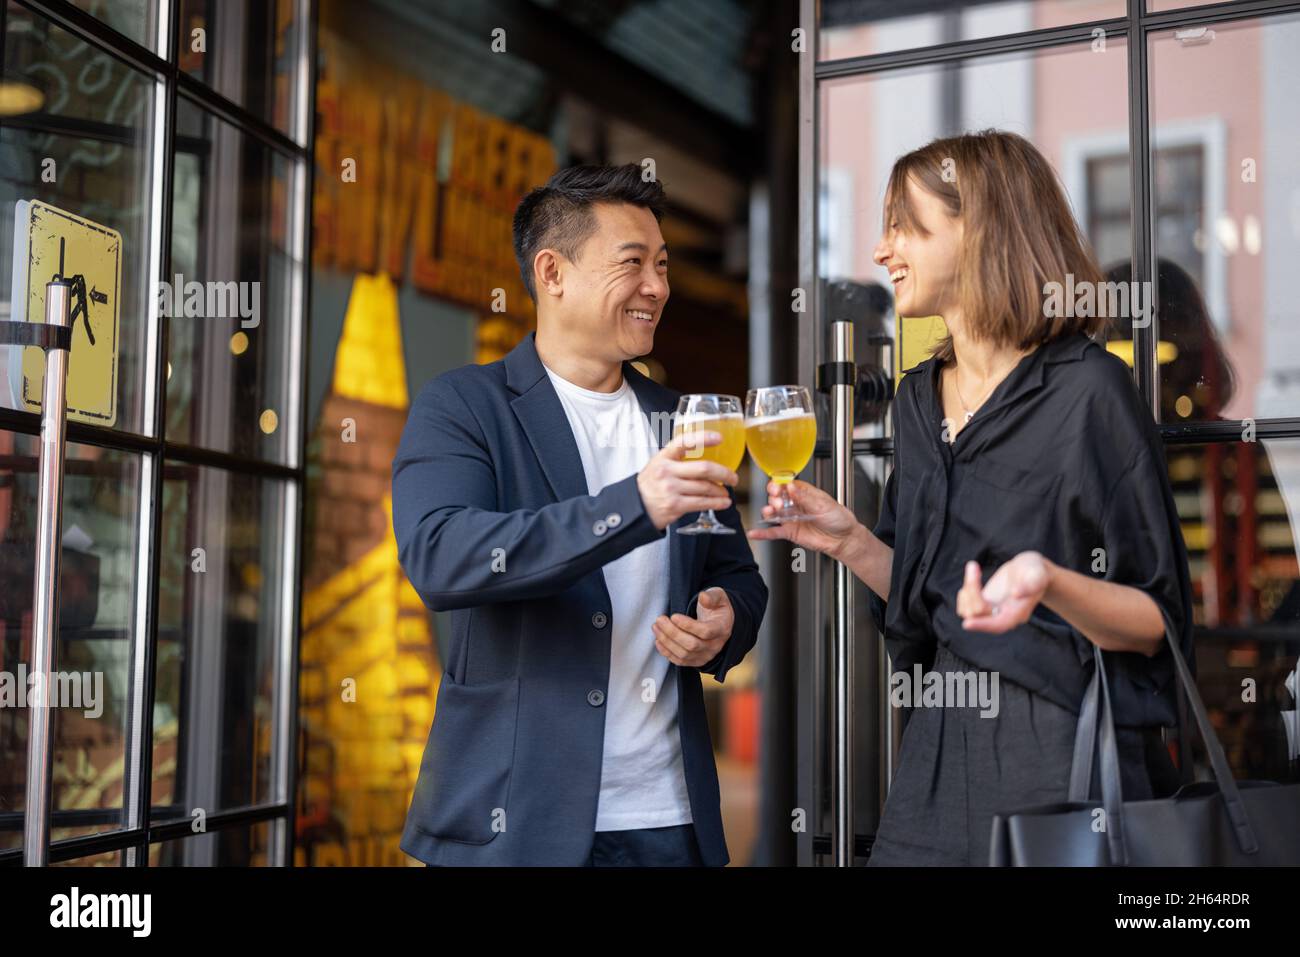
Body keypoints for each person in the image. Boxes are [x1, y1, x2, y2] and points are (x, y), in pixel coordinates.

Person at [749, 130, 1194, 866]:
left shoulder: (1088, 392)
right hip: (936, 746)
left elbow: (1156, 620)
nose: (883, 249)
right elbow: (930, 604)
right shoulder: (918, 401)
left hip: (1059, 746)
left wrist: (1049, 582)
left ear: (981, 229)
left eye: (906, 226)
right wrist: (852, 541)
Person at [393, 164, 768, 867]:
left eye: (661, 266)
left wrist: (724, 623)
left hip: (670, 824)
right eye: (633, 264)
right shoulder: (466, 405)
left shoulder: (681, 420)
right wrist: (634, 504)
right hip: (512, 825)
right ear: (551, 271)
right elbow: (442, 555)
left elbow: (739, 577)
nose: (657, 286)